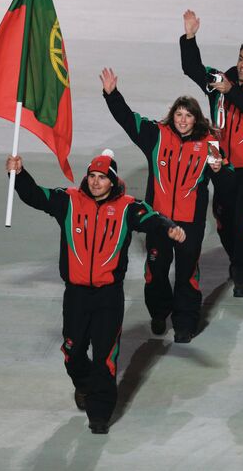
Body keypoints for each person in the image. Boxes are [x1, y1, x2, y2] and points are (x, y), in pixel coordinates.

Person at [6, 150, 185, 434]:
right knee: (72, 352)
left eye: (102, 177)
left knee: (105, 356)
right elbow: (35, 196)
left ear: (112, 181)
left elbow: (153, 219)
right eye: (92, 176)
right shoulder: (68, 201)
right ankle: (83, 383)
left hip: (108, 296)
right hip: (75, 295)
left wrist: (170, 228)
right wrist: (17, 174)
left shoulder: (128, 207)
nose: (96, 182)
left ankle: (99, 414)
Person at [100, 68, 233, 343]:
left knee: (187, 274)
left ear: (196, 118)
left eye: (188, 115)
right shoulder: (155, 135)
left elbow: (226, 183)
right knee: (156, 272)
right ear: (172, 116)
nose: (183, 120)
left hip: (190, 224)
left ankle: (185, 323)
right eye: (179, 114)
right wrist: (112, 95)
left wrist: (220, 169)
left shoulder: (209, 143)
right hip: (158, 222)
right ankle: (159, 312)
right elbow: (128, 119)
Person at [180, 9, 243, 297]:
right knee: (223, 220)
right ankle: (237, 260)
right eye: (241, 59)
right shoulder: (219, 81)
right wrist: (189, 36)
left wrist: (231, 89)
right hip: (218, 163)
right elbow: (191, 67)